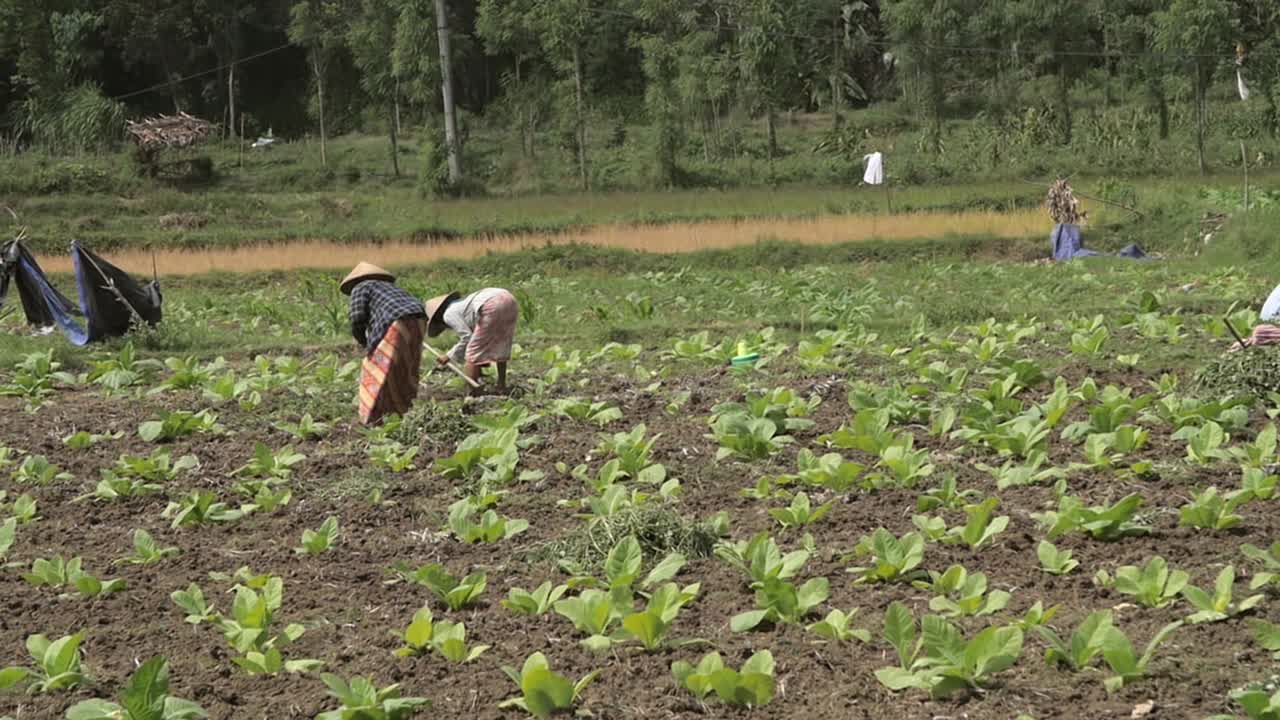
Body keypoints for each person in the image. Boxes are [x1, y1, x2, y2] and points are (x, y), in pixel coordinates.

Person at [342, 262, 427, 425]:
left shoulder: (360, 287)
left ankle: (371, 418)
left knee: (375, 368)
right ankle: (402, 411)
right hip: (419, 320)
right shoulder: (390, 288)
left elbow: (357, 318)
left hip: (397, 321)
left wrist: (363, 342)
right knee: (405, 368)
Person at [424, 288, 519, 395]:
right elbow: (478, 338)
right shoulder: (460, 305)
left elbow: (467, 337)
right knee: (500, 345)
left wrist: (449, 356)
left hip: (491, 304)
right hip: (509, 299)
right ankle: (501, 386)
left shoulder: (448, 314)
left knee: (472, 353)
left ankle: (472, 392)